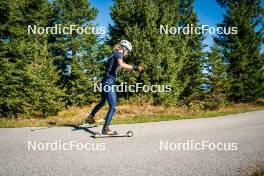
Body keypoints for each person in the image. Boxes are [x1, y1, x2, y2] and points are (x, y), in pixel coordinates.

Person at [85, 40, 144, 135]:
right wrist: (135, 67)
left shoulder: (114, 54)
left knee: (102, 102)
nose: (127, 54)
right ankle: (106, 128)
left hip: (105, 81)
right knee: (113, 106)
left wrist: (129, 68)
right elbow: (121, 64)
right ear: (125, 49)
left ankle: (90, 117)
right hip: (109, 82)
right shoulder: (119, 52)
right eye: (128, 51)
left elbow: (118, 66)